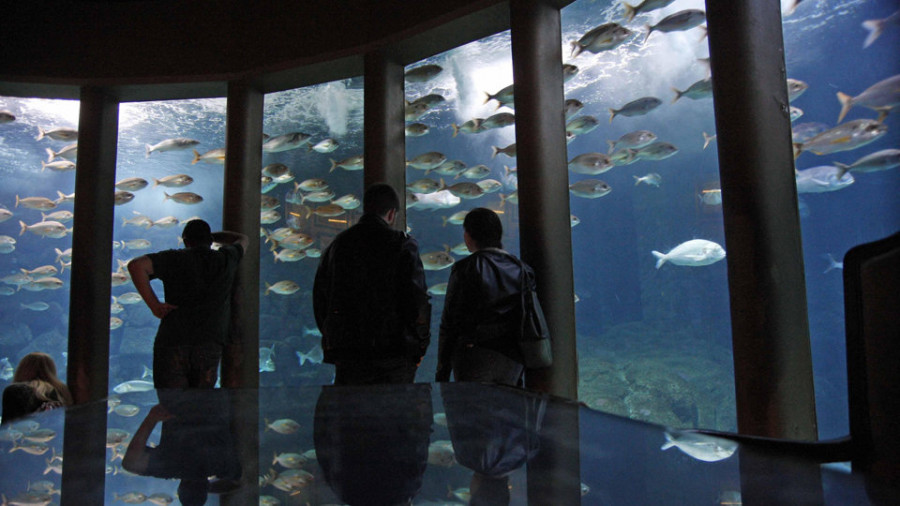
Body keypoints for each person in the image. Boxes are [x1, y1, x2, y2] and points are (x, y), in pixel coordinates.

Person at [313, 182, 431, 385]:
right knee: (392, 411)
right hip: (394, 352)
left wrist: (333, 337)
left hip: (348, 354)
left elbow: (320, 297)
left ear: (365, 208)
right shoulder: (401, 243)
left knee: (353, 412)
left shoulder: (338, 245)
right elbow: (416, 298)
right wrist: (419, 345)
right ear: (392, 214)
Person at [128, 219, 248, 389]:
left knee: (170, 403)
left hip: (174, 339)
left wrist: (154, 305)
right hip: (209, 341)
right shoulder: (224, 259)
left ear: (185, 241)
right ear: (210, 241)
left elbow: (136, 265)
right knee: (200, 402)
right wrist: (214, 236)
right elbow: (243, 239)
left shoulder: (174, 258)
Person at [435, 207, 532, 386]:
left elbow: (450, 322)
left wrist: (443, 368)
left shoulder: (465, 268)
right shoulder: (521, 269)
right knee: (507, 410)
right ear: (498, 235)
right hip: (513, 358)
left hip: (474, 356)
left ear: (468, 237)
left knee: (474, 411)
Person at [122, 389, 241, 505]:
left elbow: (235, 484)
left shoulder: (221, 466)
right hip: (176, 399)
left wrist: (206, 487)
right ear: (180, 488)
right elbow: (130, 463)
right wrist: (151, 418)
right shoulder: (170, 466)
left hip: (213, 398)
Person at [1, 352, 73, 423]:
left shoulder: (14, 391)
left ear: (22, 369)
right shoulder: (63, 391)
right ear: (51, 369)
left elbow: (7, 426)